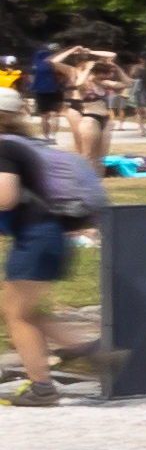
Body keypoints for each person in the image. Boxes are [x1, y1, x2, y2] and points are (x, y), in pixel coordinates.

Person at [1, 94, 88, 404]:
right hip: (48, 236)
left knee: (16, 315)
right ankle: (91, 353)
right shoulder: (26, 143)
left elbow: (5, 198)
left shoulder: (5, 147)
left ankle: (43, 387)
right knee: (26, 312)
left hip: (36, 237)